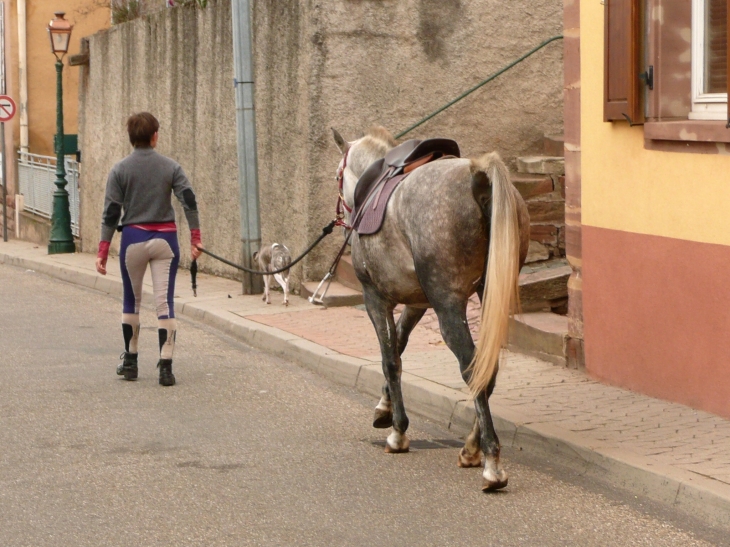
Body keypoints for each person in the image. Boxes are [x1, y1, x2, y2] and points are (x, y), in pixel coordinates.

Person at [95, 112, 203, 386]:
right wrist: (195, 237)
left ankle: (130, 362)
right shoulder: (171, 167)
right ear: (155, 136)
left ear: (131, 138)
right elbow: (188, 199)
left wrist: (103, 249)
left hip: (133, 240)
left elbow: (111, 212)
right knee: (164, 302)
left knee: (132, 300)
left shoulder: (120, 169)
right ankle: (166, 367)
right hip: (166, 241)